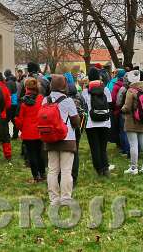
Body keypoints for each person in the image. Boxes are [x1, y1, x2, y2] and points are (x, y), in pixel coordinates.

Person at [43, 74, 81, 205]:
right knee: (66, 170)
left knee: (52, 170)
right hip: (67, 138)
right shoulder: (68, 101)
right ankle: (65, 198)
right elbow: (76, 121)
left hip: (50, 137)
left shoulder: (45, 100)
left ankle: (53, 198)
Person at [81, 67, 112, 176]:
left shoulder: (85, 91)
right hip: (105, 121)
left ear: (89, 78)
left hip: (91, 123)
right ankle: (106, 168)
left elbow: (83, 105)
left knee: (95, 147)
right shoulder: (106, 89)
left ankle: (99, 169)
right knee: (103, 147)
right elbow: (110, 104)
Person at [14, 77, 45, 183]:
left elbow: (19, 120)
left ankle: (36, 176)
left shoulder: (23, 101)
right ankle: (43, 173)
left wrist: (21, 128)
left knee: (31, 154)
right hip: (40, 131)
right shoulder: (41, 99)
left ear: (26, 87)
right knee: (40, 152)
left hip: (27, 133)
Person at [122, 79, 143, 174]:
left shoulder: (130, 91)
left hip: (132, 121)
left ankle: (133, 168)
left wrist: (122, 109)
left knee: (133, 144)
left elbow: (127, 107)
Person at [111, 69, 130, 156]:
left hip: (121, 111)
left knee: (123, 131)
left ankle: (125, 149)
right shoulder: (132, 86)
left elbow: (116, 101)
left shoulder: (118, 87)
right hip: (132, 112)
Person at [4, 69, 20, 140]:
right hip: (16, 103)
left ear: (6, 75)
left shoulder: (9, 82)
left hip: (11, 104)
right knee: (14, 120)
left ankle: (6, 136)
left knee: (6, 121)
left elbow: (8, 94)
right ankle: (15, 135)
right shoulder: (16, 81)